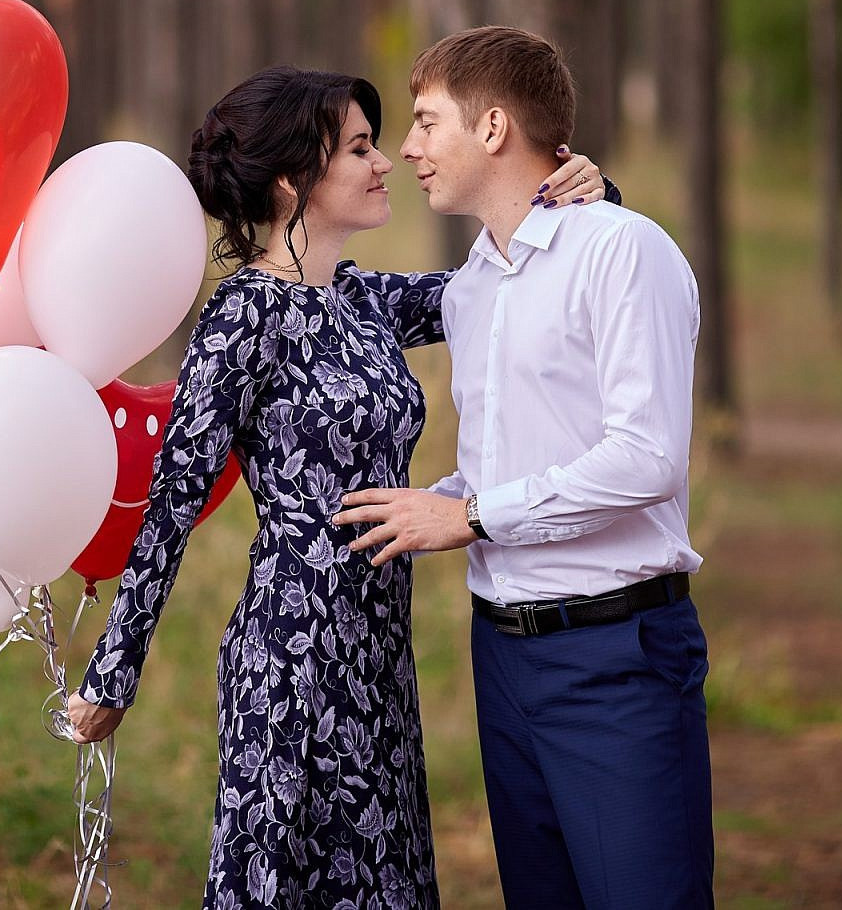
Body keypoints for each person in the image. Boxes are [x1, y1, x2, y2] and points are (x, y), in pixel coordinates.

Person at [65, 65, 611, 909]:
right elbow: (172, 503)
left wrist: (588, 190)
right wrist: (113, 674)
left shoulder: (363, 301)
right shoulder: (242, 319)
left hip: (377, 656)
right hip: (290, 657)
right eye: (359, 147)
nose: (386, 160)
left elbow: (504, 290)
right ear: (293, 180)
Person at [332, 26, 712, 909]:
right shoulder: (472, 287)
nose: (409, 149)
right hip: (502, 658)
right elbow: (511, 464)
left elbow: (646, 458)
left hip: (615, 655)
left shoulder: (623, 251)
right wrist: (432, 505)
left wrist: (468, 518)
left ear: (494, 127)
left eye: (427, 122)